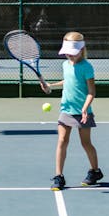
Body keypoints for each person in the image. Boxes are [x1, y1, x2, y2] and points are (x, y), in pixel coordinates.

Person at [41, 31, 103, 190]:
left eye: (72, 53)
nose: (69, 56)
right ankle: (59, 176)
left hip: (82, 112)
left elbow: (92, 92)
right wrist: (50, 86)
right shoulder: (65, 65)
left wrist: (84, 108)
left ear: (81, 50)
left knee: (86, 143)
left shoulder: (87, 67)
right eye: (67, 53)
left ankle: (95, 171)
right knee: (62, 141)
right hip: (66, 109)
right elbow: (68, 80)